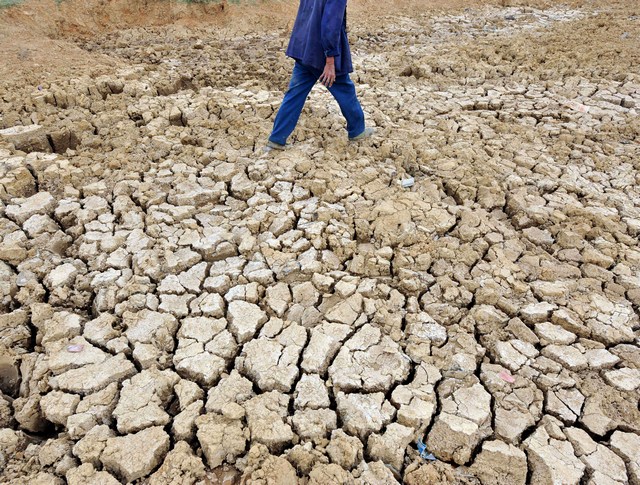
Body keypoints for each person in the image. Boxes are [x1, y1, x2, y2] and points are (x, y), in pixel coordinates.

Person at [266, 0, 374, 150]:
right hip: (320, 54)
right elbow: (331, 24)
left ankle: (277, 138)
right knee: (344, 88)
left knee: (295, 93)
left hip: (304, 48)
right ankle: (357, 131)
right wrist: (330, 61)